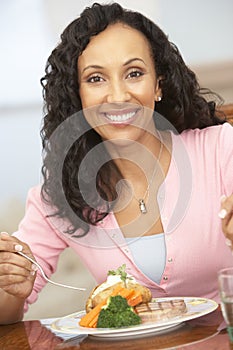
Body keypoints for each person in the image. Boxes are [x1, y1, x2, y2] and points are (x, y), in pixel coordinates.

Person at [0, 2, 233, 325]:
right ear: (77, 94)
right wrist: (12, 288)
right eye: (96, 79)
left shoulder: (221, 148)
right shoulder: (59, 195)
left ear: (159, 84)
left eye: (134, 73)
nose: (118, 95)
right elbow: (7, 313)